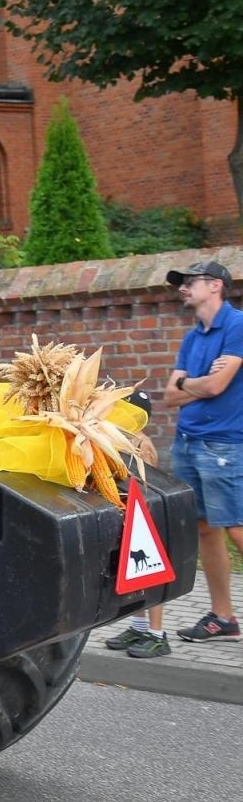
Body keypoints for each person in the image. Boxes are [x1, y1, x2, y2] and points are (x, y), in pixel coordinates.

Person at [163, 260, 242, 644]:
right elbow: (169, 395)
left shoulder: (238, 326)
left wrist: (189, 384)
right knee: (206, 530)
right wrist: (199, 381)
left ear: (215, 286)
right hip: (188, 442)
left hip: (225, 445)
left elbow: (216, 388)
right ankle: (223, 618)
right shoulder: (193, 338)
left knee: (237, 528)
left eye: (188, 282)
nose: (182, 288)